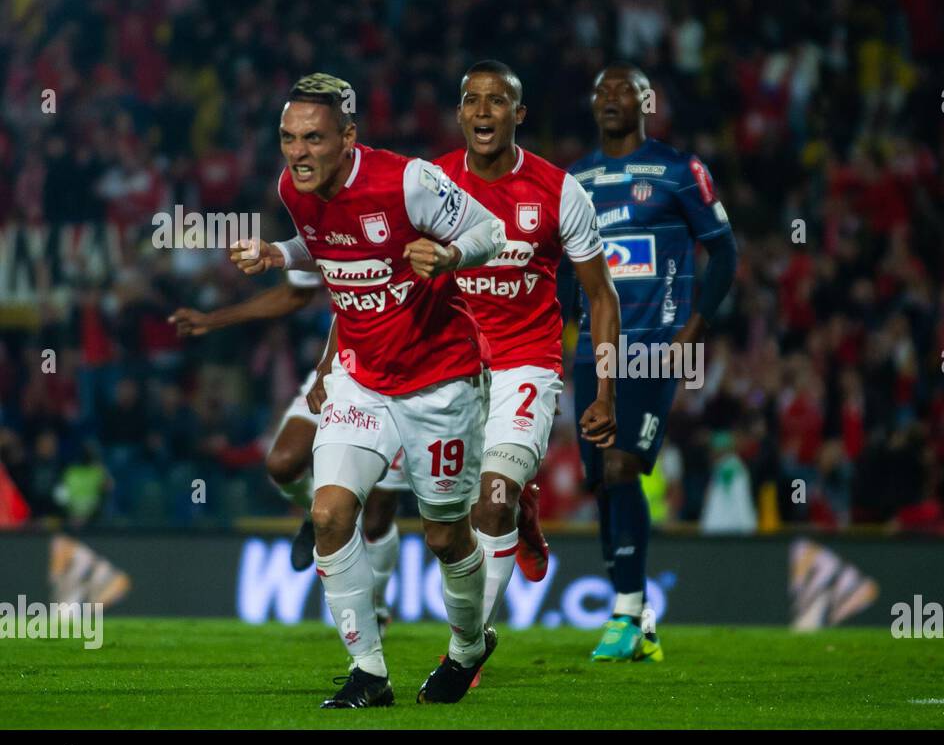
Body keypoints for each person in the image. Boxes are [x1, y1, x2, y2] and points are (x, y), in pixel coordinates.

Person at [235, 73, 506, 707]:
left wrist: (450, 258)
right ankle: (370, 674)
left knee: (443, 536)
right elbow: (330, 245)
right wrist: (278, 253)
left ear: (349, 138)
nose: (298, 153)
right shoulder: (292, 188)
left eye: (314, 138)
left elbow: (489, 230)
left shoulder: (405, 180)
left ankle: (468, 647)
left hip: (440, 381)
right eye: (287, 139)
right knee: (329, 513)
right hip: (361, 379)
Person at [404, 61, 619, 629]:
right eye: (471, 100)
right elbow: (385, 276)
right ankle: (524, 506)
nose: (482, 110)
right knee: (438, 518)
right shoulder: (430, 186)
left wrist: (605, 392)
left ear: (517, 114)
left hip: (527, 364)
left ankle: (468, 646)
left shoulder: (558, 190)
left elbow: (601, 297)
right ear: (459, 113)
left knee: (490, 500)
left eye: (496, 101)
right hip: (450, 368)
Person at [567, 62, 737, 662]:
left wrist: (693, 330)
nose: (611, 98)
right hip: (592, 351)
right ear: (592, 105)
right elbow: (565, 274)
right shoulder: (574, 179)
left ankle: (624, 610)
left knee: (621, 467)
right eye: (602, 90)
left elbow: (724, 253)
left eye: (625, 90)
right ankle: (639, 615)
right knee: (600, 483)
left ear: (648, 101)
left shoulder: (678, 171)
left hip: (654, 348)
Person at [169, 279, 407, 637]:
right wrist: (215, 319)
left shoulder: (416, 231)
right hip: (343, 369)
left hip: (407, 381)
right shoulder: (324, 228)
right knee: (282, 462)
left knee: (376, 516)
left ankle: (375, 606)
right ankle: (316, 512)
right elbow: (297, 290)